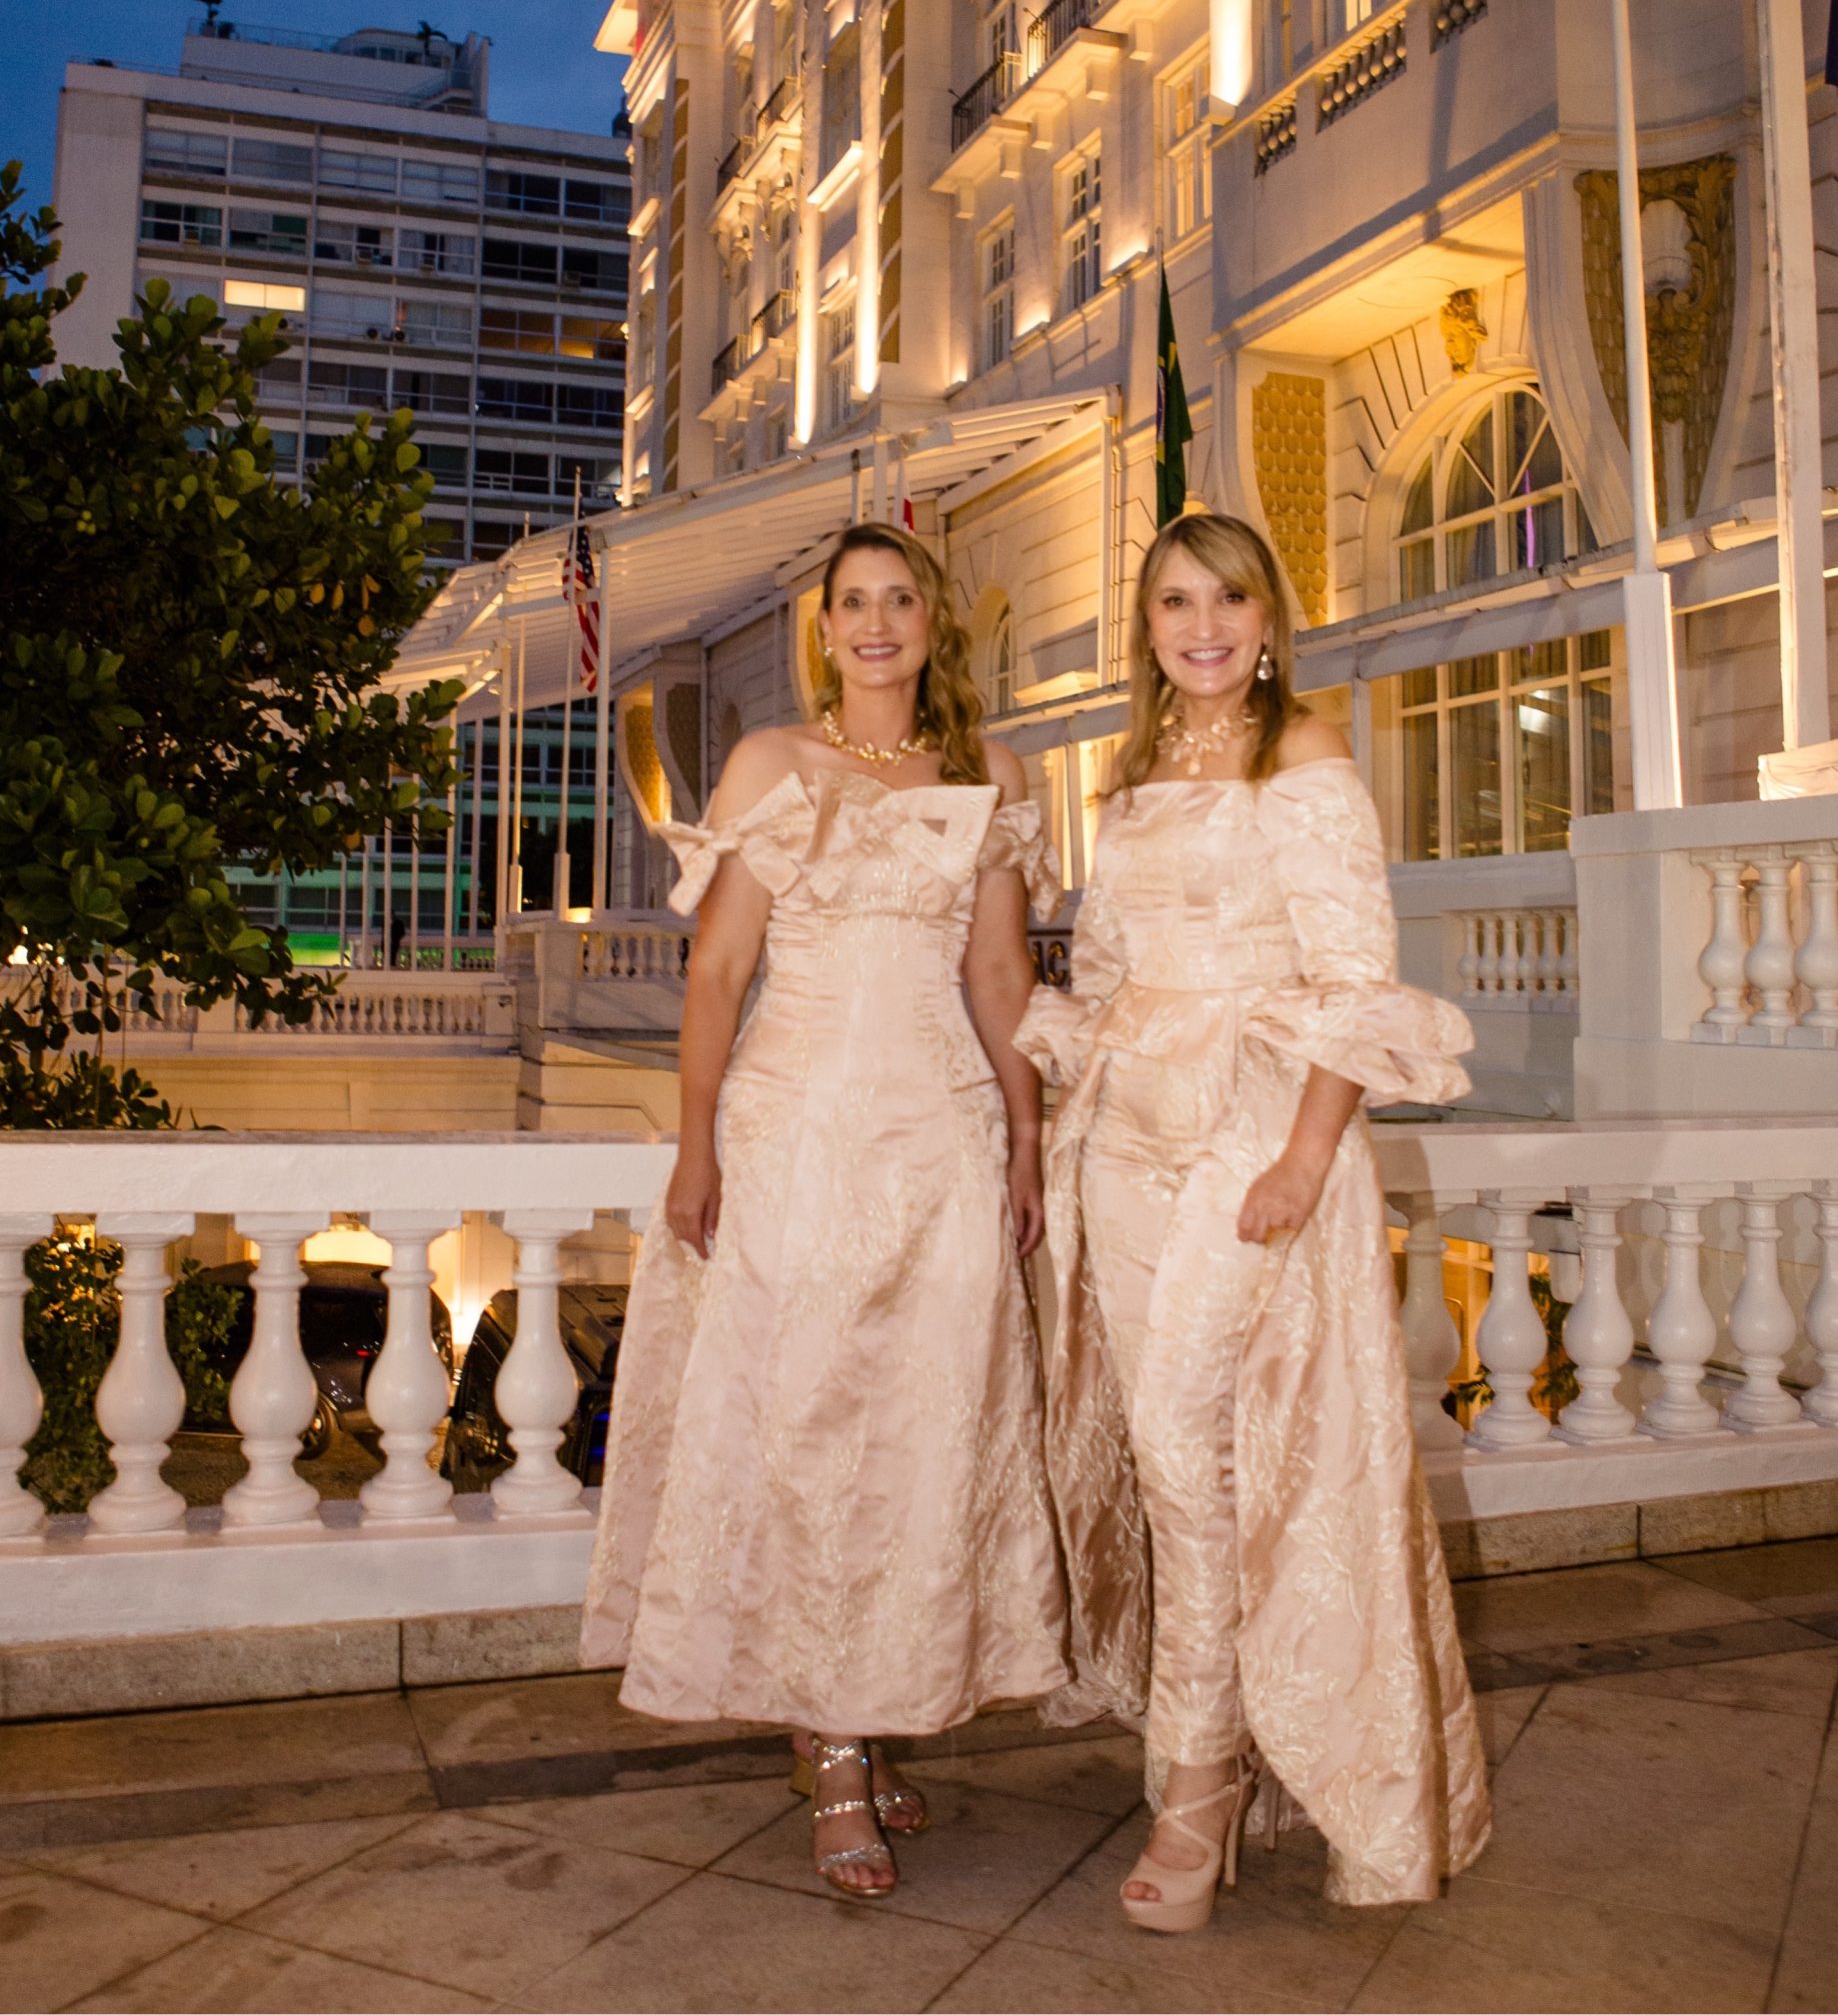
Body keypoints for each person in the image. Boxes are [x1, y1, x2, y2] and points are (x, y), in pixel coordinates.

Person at [581, 520, 1070, 1901]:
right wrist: (693, 1152)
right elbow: (719, 975)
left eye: (896, 600)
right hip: (793, 1134)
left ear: (931, 623)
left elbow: (994, 976)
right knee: (802, 1429)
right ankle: (837, 1756)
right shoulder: (771, 766)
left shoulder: (988, 774)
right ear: (824, 632)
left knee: (918, 1436)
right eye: (850, 604)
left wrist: (1026, 1138)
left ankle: (854, 1712)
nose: (872, 624)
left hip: (942, 1148)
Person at [1016, 511, 1490, 1931]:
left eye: (1227, 598)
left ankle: (1197, 1788)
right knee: (1175, 1465)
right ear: (1146, 626)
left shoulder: (1308, 753)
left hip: (1251, 1133)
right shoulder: (1136, 768)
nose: (1201, 624)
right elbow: (1101, 971)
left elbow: (1352, 971)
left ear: (1268, 618)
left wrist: (1301, 1155)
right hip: (1126, 1138)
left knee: (1179, 1446)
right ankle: (1202, 1756)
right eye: (1173, 601)